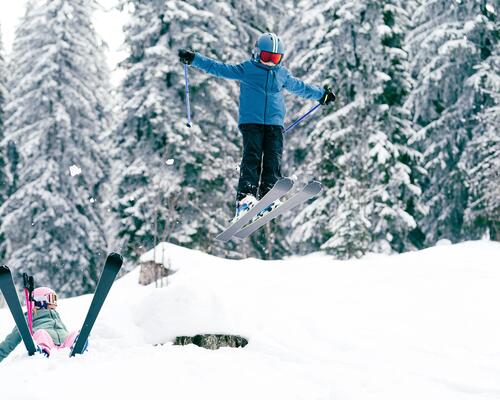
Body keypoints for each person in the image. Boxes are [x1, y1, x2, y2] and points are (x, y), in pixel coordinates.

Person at [179, 32, 335, 221]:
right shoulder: (247, 69)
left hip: (274, 124)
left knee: (273, 158)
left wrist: (321, 94)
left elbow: (301, 87)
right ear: (257, 53)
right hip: (251, 122)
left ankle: (269, 194)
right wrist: (194, 59)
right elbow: (218, 68)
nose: (270, 62)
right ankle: (246, 198)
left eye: (275, 58)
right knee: (252, 156)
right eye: (266, 57)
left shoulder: (282, 74)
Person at [0, 286, 83, 361]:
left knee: (75, 333)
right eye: (51, 299)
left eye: (55, 299)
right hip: (48, 345)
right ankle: (43, 350)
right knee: (41, 333)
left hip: (64, 347)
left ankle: (77, 345)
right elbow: (10, 341)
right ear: (39, 301)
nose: (54, 303)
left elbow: (64, 331)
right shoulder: (28, 317)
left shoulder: (56, 316)